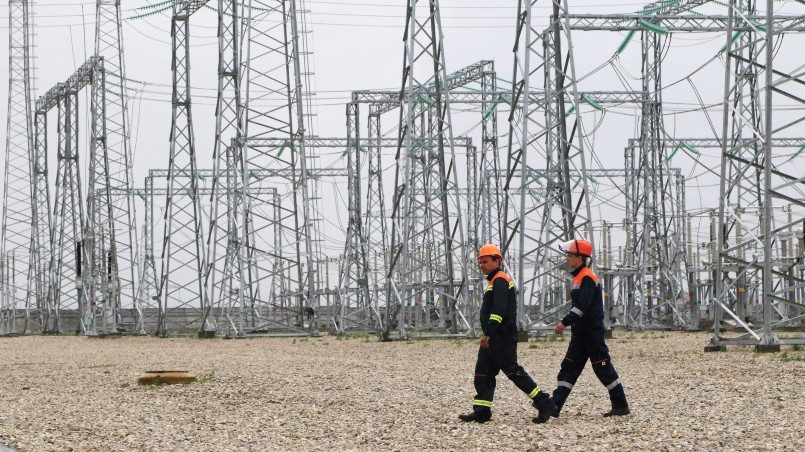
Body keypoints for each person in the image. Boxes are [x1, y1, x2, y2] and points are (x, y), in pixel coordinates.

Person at [458, 244, 556, 424]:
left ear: (497, 261)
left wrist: (488, 333)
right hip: (494, 336)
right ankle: (481, 411)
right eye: (480, 262)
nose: (482, 265)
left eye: (485, 262)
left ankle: (544, 403)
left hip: (501, 336)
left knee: (513, 371)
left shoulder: (500, 280)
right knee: (483, 373)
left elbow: (498, 311)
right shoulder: (494, 280)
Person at [550, 239, 630, 418]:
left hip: (591, 333)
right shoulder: (578, 277)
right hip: (580, 333)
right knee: (569, 367)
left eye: (570, 255)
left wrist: (564, 323)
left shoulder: (587, 277)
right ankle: (554, 405)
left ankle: (621, 405)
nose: (567, 258)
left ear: (580, 257)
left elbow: (581, 307)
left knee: (602, 367)